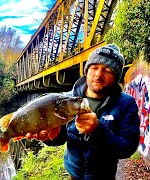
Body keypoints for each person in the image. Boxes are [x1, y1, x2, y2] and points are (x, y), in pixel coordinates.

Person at [42, 44, 141, 179]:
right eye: (94, 67)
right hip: (74, 173)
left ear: (116, 76)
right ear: (87, 71)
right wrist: (48, 137)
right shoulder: (66, 100)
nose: (98, 75)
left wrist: (97, 131)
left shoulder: (126, 104)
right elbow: (60, 138)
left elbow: (128, 148)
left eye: (107, 70)